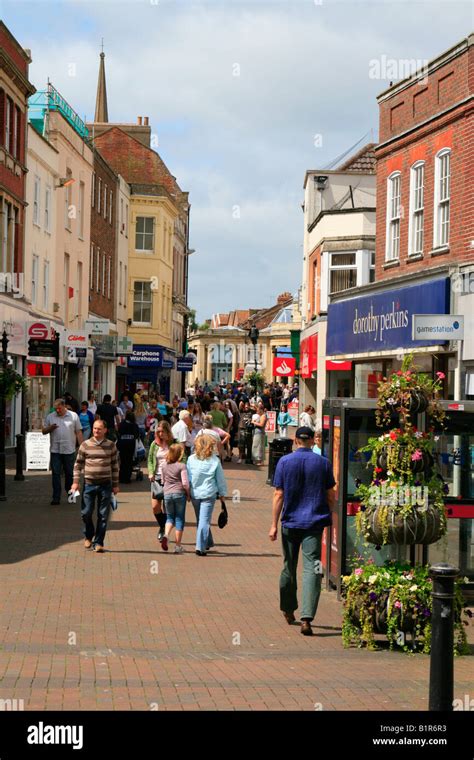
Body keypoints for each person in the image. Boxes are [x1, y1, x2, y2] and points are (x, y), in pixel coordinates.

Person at [269, 426, 336, 636]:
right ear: (312, 441)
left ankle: (288, 608)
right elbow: (330, 494)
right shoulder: (323, 463)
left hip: (290, 522)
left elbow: (279, 495)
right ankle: (307, 617)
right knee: (312, 568)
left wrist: (273, 524)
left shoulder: (284, 462)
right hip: (314, 524)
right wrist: (329, 515)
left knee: (289, 565)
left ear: (296, 441)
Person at [72, 419, 120, 553]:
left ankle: (99, 542)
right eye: (94, 428)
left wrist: (115, 485)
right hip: (89, 484)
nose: (96, 431)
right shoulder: (85, 445)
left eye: (99, 429)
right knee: (86, 513)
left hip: (106, 485)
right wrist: (75, 482)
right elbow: (78, 465)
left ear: (105, 430)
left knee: (103, 515)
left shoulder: (111, 446)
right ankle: (88, 535)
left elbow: (115, 466)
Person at [187, 434, 228, 556]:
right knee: (204, 520)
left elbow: (189, 478)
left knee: (201, 519)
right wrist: (222, 494)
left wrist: (187, 492)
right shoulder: (215, 461)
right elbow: (220, 479)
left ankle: (207, 541)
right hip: (209, 493)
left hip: (195, 493)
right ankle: (200, 547)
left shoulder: (191, 459)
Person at [42, 398, 83, 505]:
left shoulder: (73, 416)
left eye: (59, 408)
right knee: (56, 474)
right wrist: (50, 428)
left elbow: (78, 432)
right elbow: (43, 431)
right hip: (55, 450)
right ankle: (56, 498)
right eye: (56, 409)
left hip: (69, 450)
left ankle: (71, 496)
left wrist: (83, 447)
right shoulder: (51, 416)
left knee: (70, 474)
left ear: (64, 406)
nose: (57, 411)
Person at [161, 443, 191, 554]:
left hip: (167, 493)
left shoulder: (164, 465)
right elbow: (185, 483)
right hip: (179, 493)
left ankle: (166, 535)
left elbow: (163, 481)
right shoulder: (181, 466)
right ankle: (178, 546)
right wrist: (188, 494)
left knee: (169, 517)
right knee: (179, 518)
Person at [148, 421, 173, 544]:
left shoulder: (174, 444)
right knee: (155, 507)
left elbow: (182, 458)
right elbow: (150, 460)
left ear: (168, 432)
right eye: (159, 432)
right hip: (157, 478)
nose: (161, 434)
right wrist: (151, 472)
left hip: (170, 479)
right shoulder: (154, 444)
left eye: (163, 432)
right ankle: (163, 526)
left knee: (167, 507)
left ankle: (165, 532)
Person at [117, 411, 140, 483]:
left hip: (122, 444)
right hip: (131, 444)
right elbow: (137, 435)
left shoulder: (122, 424)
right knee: (129, 461)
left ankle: (121, 477)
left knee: (123, 461)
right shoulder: (134, 425)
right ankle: (127, 478)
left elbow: (119, 432)